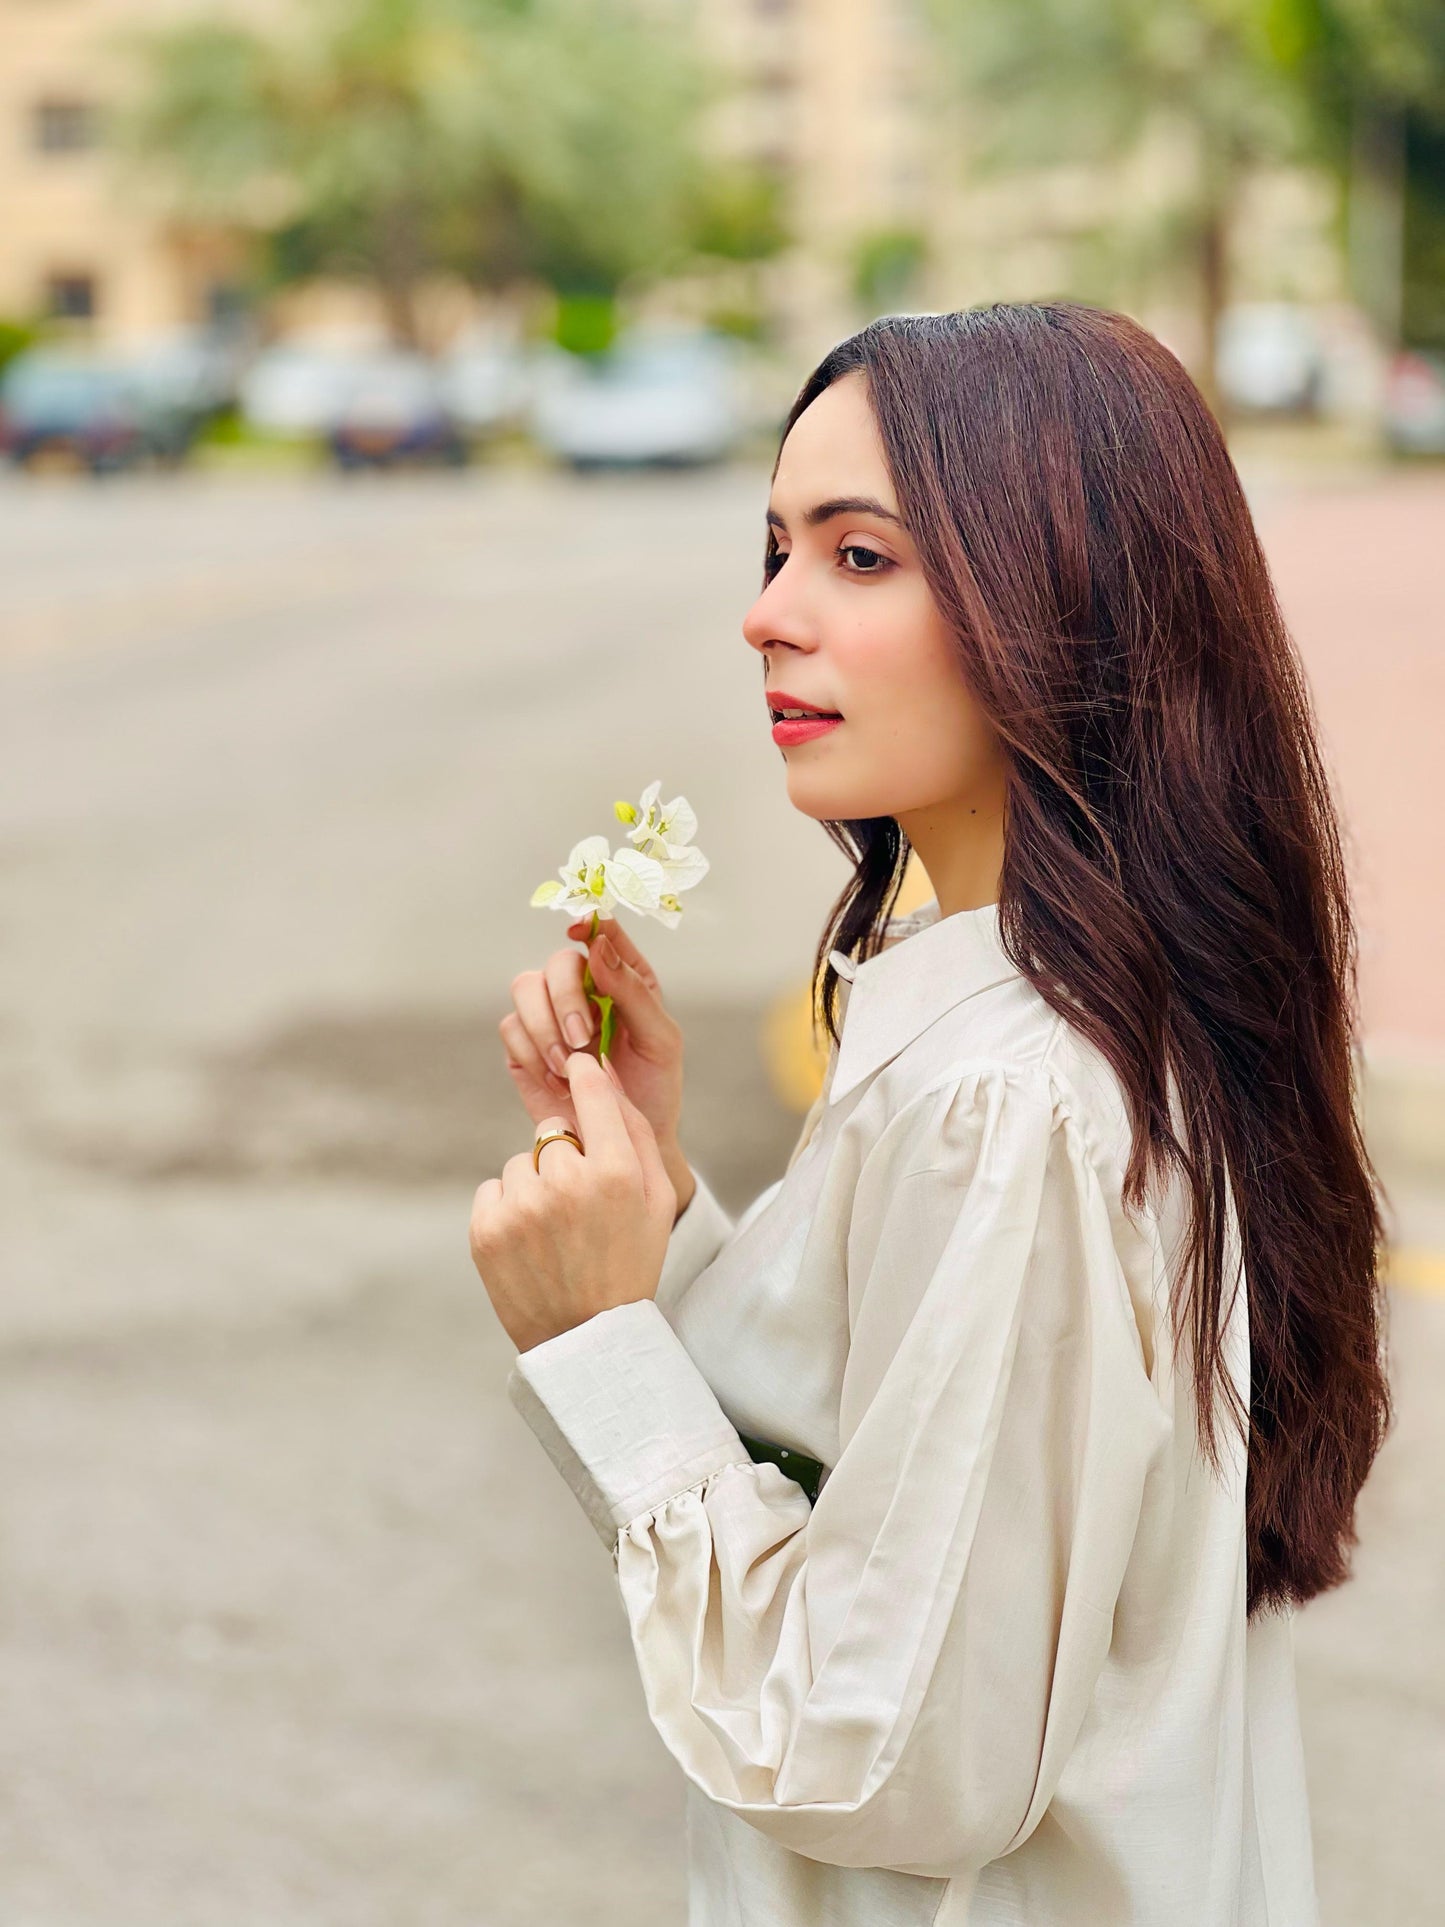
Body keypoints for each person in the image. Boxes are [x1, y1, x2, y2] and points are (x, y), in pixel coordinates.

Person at [468, 302, 1393, 1924]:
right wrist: (663, 1209)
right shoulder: (1083, 1025)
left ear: (1063, 602)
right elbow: (895, 1454)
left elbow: (890, 1754)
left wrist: (602, 1347)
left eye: (860, 557)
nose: (766, 615)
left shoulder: (1017, 1097)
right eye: (773, 548)